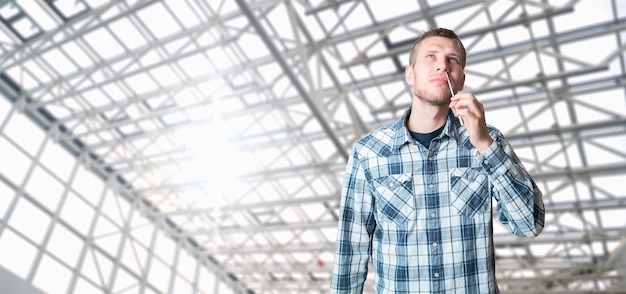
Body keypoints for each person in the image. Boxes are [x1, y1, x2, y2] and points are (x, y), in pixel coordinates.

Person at [329, 27, 545, 293]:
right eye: (430, 56)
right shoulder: (369, 152)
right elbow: (351, 251)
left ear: (461, 79)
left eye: (452, 60)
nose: (442, 65)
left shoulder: (488, 142)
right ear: (411, 73)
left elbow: (529, 225)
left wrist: (485, 145)